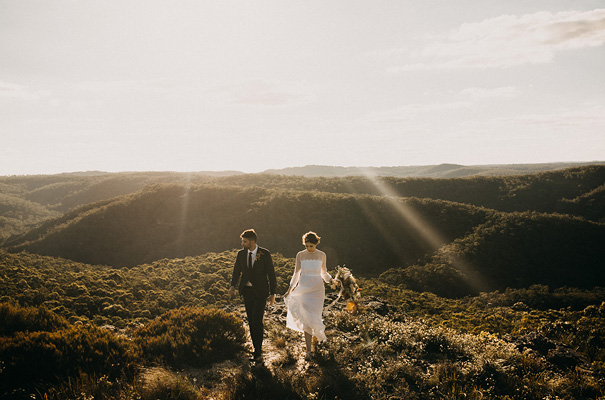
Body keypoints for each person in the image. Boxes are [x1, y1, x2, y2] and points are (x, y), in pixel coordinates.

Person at [229, 229, 276, 363]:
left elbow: (271, 274)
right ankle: (256, 349)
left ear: (252, 241)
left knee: (257, 320)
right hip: (247, 292)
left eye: (244, 241)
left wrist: (272, 293)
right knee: (251, 320)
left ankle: (258, 352)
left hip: (261, 292)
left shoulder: (265, 254)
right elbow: (236, 271)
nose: (242, 243)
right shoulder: (241, 254)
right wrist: (232, 286)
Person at [284, 231, 333, 360]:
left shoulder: (322, 255)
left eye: (311, 246)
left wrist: (332, 281)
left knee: (315, 317)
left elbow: (324, 273)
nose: (309, 248)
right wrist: (290, 289)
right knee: (306, 320)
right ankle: (308, 351)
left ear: (316, 244)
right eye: (306, 246)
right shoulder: (300, 255)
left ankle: (315, 345)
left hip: (317, 290)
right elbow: (296, 273)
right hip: (304, 288)